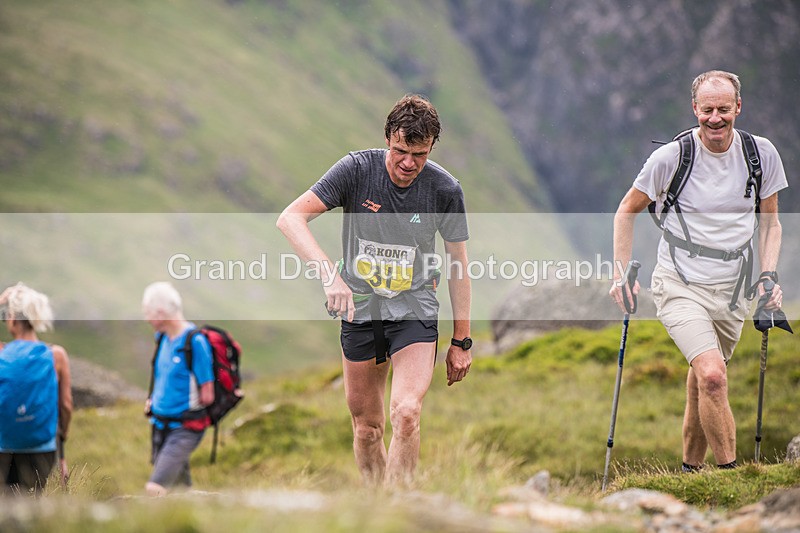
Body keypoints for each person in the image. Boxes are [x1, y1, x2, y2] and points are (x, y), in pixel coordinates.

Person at [277, 94, 472, 487]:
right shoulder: (355, 170)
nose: (407, 163)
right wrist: (330, 275)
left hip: (415, 310)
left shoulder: (444, 189)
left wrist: (462, 341)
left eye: (418, 153)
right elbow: (291, 218)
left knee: (406, 413)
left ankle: (399, 513)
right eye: (400, 150)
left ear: (431, 146)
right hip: (361, 312)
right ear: (387, 139)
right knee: (367, 429)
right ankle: (375, 508)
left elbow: (458, 265)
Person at [610, 70, 788, 471]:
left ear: (738, 108)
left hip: (733, 289)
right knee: (713, 377)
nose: (715, 118)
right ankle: (733, 477)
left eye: (724, 109)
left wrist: (768, 275)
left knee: (700, 382)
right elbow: (626, 210)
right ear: (694, 109)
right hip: (679, 284)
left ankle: (691, 472)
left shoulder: (761, 155)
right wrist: (621, 273)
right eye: (707, 109)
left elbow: (770, 224)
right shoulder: (671, 158)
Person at [142, 281, 214, 497]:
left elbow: (207, 393)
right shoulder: (162, 338)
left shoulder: (196, 342)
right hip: (159, 425)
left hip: (184, 429)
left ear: (161, 313)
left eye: (148, 313)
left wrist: (183, 405)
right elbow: (161, 375)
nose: (146, 319)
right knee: (180, 493)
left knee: (155, 488)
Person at [0, 282, 72, 494]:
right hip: (43, 447)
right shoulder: (56, 355)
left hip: (4, 445)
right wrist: (62, 438)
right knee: (33, 498)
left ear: (12, 319)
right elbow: (66, 406)